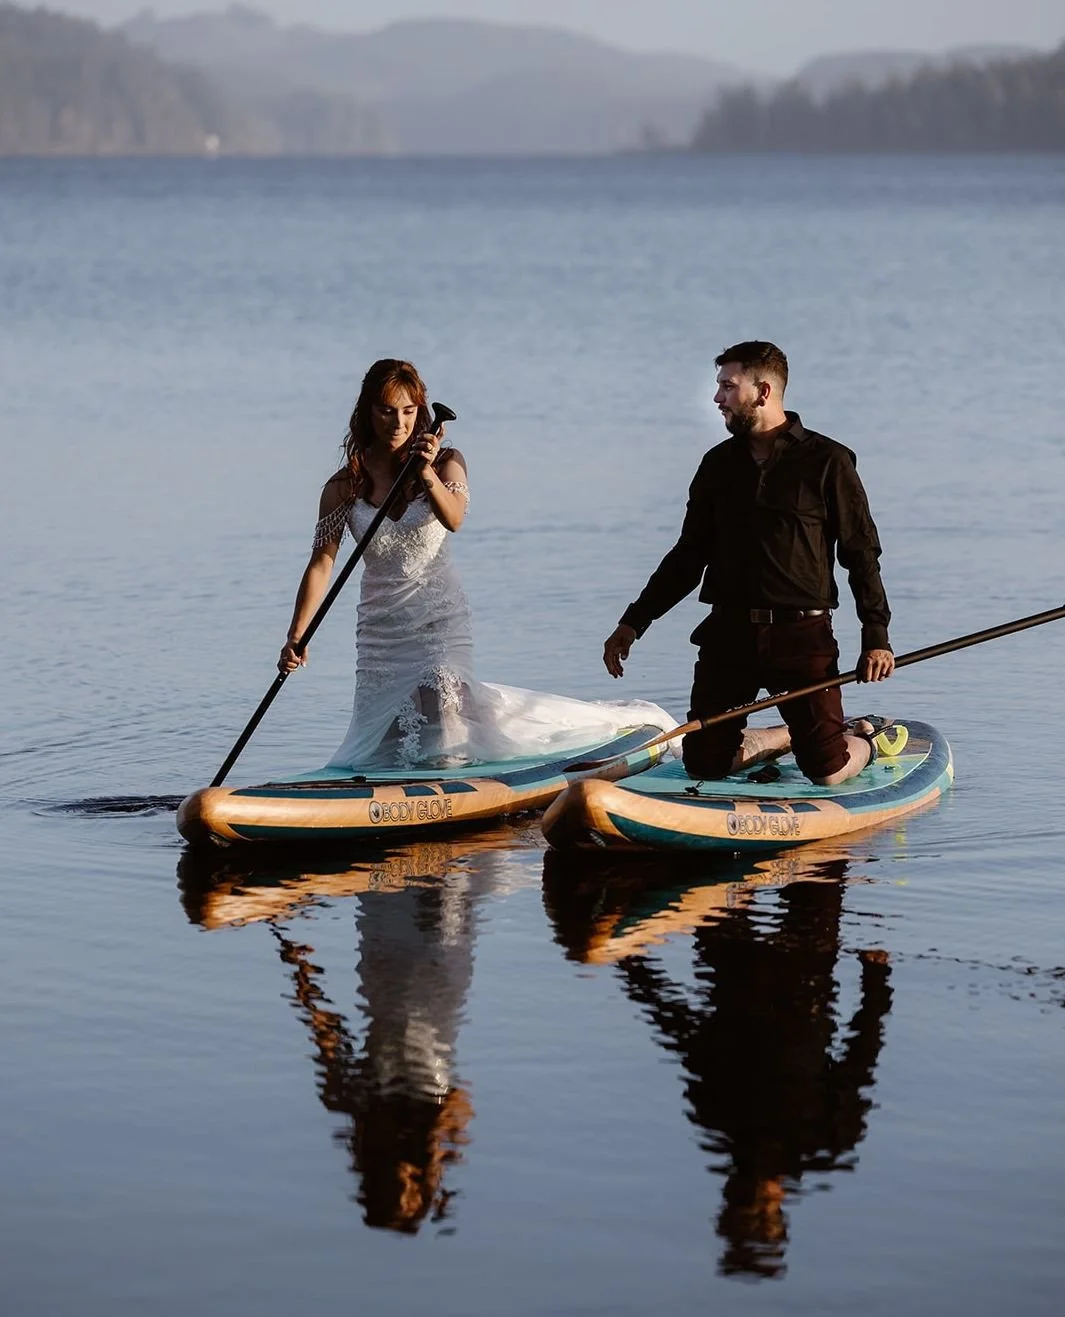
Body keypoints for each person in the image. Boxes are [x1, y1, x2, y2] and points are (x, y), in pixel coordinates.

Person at [280, 358, 673, 770]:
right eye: (386, 411)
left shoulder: (448, 461)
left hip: (439, 621)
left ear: (423, 413)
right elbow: (322, 564)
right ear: (366, 412)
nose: (398, 423)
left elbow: (454, 518)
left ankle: (451, 789)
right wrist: (297, 635)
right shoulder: (344, 486)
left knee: (446, 717)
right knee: (386, 738)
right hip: (381, 630)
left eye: (409, 412)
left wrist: (426, 472)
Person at [602, 340, 895, 786]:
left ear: (762, 391)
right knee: (703, 765)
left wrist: (876, 636)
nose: (717, 398)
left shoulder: (828, 461)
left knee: (828, 772)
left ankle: (865, 739)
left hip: (802, 636)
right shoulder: (717, 465)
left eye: (726, 386)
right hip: (729, 635)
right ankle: (782, 735)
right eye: (718, 386)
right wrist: (634, 622)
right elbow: (687, 555)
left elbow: (860, 553)